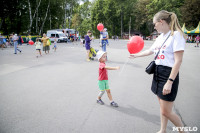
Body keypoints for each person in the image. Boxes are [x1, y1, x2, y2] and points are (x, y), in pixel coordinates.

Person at [129, 10, 186, 133]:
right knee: (162, 107)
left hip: (168, 74)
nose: (154, 26)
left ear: (161, 22)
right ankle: (163, 130)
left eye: (155, 24)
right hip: (158, 72)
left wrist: (170, 81)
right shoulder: (161, 37)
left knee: (166, 111)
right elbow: (150, 51)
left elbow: (178, 61)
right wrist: (136, 55)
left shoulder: (176, 35)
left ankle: (184, 131)